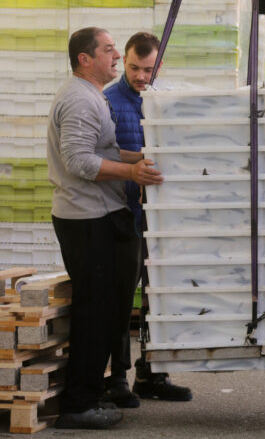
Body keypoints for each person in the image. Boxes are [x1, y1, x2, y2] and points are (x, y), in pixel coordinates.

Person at [47, 27, 163, 429]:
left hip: (98, 216)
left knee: (106, 310)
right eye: (110, 49)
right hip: (87, 220)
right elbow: (80, 161)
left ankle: (89, 395)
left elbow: (104, 150)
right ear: (85, 58)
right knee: (94, 313)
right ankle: (78, 405)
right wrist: (132, 170)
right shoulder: (80, 100)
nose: (115, 55)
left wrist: (147, 157)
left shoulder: (90, 95)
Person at [102, 32, 192, 405]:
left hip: (164, 219)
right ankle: (118, 378)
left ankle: (153, 374)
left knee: (159, 299)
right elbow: (100, 155)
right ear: (123, 61)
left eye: (148, 69)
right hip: (123, 216)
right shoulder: (107, 101)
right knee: (122, 300)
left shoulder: (167, 102)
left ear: (160, 65)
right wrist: (138, 161)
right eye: (135, 67)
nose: (141, 76)